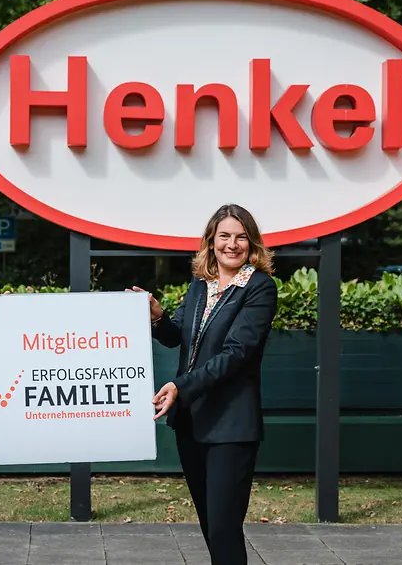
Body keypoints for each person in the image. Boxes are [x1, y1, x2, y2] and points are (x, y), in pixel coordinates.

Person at [130, 203, 278, 565]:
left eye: (241, 237)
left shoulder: (260, 288)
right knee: (211, 525)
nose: (232, 244)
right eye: (224, 236)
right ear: (211, 241)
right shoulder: (202, 285)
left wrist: (180, 386)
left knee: (225, 527)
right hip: (192, 423)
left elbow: (236, 353)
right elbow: (176, 335)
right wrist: (158, 316)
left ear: (252, 243)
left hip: (231, 426)